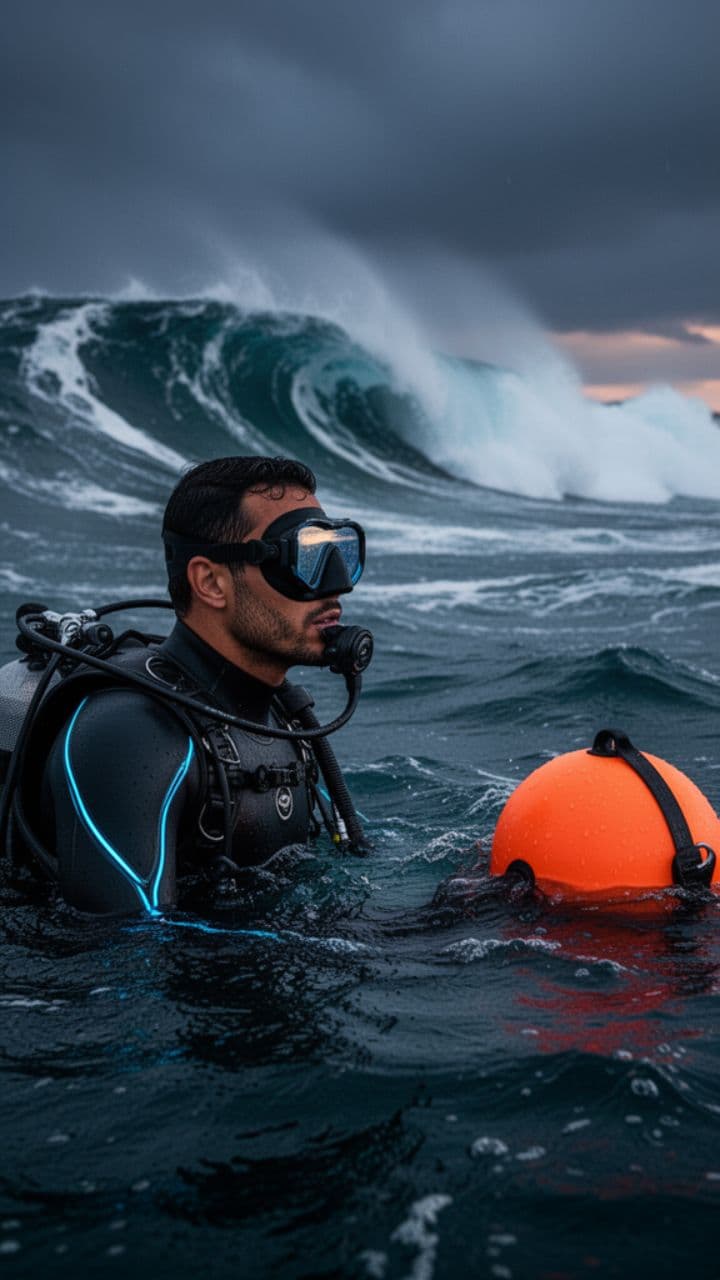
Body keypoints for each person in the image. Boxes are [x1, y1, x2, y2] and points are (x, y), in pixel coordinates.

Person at [12, 456, 369, 915]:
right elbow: (126, 954)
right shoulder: (132, 736)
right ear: (211, 583)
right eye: (304, 558)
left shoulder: (284, 720)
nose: (338, 586)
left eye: (338, 552)